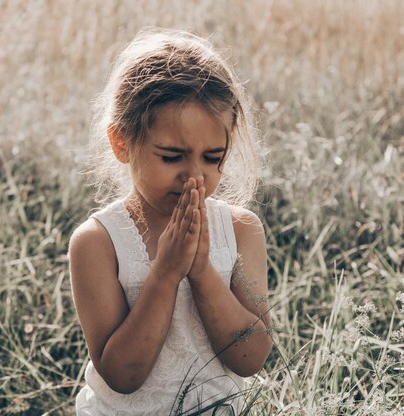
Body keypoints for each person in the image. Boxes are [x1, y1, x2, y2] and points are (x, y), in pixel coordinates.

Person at [68, 28, 273, 415]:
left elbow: (252, 358)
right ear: (121, 143)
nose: (194, 176)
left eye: (213, 158)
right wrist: (165, 273)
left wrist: (202, 273)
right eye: (172, 156)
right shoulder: (98, 242)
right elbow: (122, 376)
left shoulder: (241, 231)